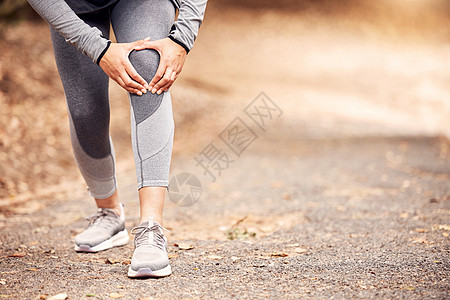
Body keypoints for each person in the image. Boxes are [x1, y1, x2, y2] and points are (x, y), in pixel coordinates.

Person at [26, 0, 207, 278]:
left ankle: (151, 227)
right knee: (84, 110)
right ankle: (110, 213)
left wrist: (183, 38)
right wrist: (98, 49)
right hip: (75, 6)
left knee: (148, 72)